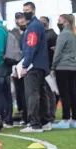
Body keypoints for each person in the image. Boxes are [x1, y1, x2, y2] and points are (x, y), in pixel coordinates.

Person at [20, 2, 51, 133]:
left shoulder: (33, 27)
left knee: (32, 94)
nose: (25, 13)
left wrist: (25, 64)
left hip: (34, 65)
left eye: (27, 10)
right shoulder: (38, 25)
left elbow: (31, 46)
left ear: (33, 10)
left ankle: (34, 124)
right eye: (24, 10)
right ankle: (45, 121)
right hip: (42, 65)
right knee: (42, 93)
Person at [52, 14, 76, 129]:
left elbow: (58, 53)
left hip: (62, 67)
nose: (58, 22)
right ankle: (74, 119)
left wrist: (53, 66)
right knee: (72, 93)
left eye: (59, 20)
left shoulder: (63, 34)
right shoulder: (73, 33)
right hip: (73, 67)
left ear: (65, 22)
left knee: (64, 93)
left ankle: (65, 119)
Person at [40, 16, 58, 123]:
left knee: (50, 93)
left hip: (49, 67)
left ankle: (51, 116)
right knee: (47, 92)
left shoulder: (51, 35)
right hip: (45, 67)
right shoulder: (45, 35)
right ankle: (48, 115)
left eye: (43, 22)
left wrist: (52, 68)